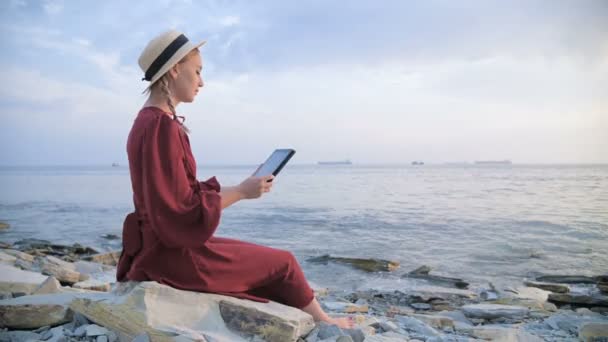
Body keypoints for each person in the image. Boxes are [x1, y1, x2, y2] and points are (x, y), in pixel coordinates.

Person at [116, 30, 353, 329]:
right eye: (198, 71)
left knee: (266, 270)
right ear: (175, 69)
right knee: (284, 263)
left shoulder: (145, 122)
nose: (202, 82)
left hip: (157, 247)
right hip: (172, 256)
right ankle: (327, 323)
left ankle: (312, 317)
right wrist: (241, 192)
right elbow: (181, 209)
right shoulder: (162, 127)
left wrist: (243, 187)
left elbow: (174, 195)